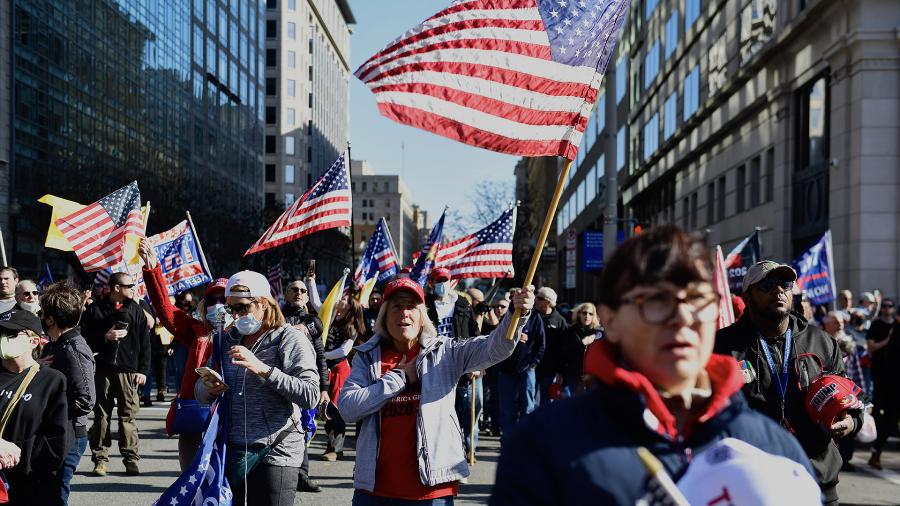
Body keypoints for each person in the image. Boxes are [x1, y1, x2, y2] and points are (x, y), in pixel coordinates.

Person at [491, 226, 815, 505]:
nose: (684, 318)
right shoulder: (545, 446)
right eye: (658, 301)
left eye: (698, 300)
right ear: (611, 320)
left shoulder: (772, 447)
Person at [339, 277, 534, 505]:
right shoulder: (367, 356)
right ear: (384, 315)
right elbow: (348, 408)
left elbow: (496, 348)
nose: (404, 313)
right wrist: (399, 377)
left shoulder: (446, 352)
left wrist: (516, 313)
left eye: (411, 307)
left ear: (422, 316)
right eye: (397, 306)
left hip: (432, 493)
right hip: (374, 493)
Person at [715, 260, 862, 505]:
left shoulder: (821, 341)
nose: (779, 290)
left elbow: (856, 399)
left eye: (785, 284)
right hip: (751, 485)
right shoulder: (722, 345)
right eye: (767, 285)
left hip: (817, 481)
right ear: (748, 296)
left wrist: (851, 421)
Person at [196, 270, 319, 506]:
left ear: (263, 303)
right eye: (231, 308)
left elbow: (310, 395)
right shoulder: (228, 338)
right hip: (231, 451)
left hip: (276, 452)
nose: (235, 315)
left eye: (242, 307)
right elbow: (200, 394)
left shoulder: (289, 338)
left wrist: (262, 369)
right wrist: (207, 388)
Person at [139, 240, 229, 471]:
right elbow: (166, 311)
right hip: (195, 417)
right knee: (190, 481)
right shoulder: (196, 331)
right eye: (212, 300)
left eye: (224, 300)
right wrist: (152, 269)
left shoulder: (248, 335)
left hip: (231, 422)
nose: (218, 305)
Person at [81, 271, 151, 476]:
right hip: (102, 369)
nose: (133, 289)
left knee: (127, 416)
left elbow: (145, 343)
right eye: (129, 286)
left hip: (128, 372)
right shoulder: (95, 310)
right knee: (101, 415)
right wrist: (105, 337)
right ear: (116, 288)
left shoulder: (136, 310)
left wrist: (143, 370)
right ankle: (100, 459)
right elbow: (83, 338)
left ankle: (130, 459)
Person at [0, 309, 70, 505]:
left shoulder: (52, 381)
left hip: (30, 487)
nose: (4, 338)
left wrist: (13, 455)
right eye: (1, 333)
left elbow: (55, 443)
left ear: (34, 341)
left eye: (12, 334)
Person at [39, 282, 96, 504]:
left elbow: (86, 399)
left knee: (56, 492)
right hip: (54, 431)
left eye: (43, 313)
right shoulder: (55, 345)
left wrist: (52, 410)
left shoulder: (74, 348)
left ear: (51, 319)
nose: (40, 316)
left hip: (69, 435)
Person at [424, 268, 481, 458]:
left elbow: (474, 334)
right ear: (431, 283)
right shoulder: (425, 304)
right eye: (438, 281)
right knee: (439, 411)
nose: (442, 284)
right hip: (435, 363)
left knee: (461, 410)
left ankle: (461, 451)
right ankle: (439, 452)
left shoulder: (463, 304)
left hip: (460, 362)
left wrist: (476, 363)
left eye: (445, 280)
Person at [281, 278, 328, 493]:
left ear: (307, 296)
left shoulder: (312, 321)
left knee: (304, 428)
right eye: (294, 289)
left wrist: (324, 388)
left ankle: (302, 475)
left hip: (305, 386)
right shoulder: (277, 317)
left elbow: (320, 356)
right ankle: (281, 473)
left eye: (302, 290)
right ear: (286, 293)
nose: (298, 293)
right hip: (280, 382)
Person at [321, 293, 365, 462]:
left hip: (340, 370)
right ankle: (331, 446)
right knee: (326, 410)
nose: (339, 300)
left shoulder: (351, 326)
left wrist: (323, 355)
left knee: (337, 410)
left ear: (349, 306)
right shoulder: (331, 318)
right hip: (327, 370)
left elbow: (343, 351)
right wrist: (311, 281)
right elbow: (320, 304)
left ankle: (336, 448)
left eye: (344, 299)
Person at [822, 311, 865, 471]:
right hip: (830, 396)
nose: (840, 325)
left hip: (849, 394)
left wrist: (864, 398)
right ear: (827, 324)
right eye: (835, 321)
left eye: (841, 322)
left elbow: (857, 371)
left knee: (849, 425)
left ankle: (845, 460)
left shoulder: (848, 343)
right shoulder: (820, 343)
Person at [865, 297, 900, 470]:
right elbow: (871, 347)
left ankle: (876, 452)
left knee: (891, 419)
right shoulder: (879, 326)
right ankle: (875, 452)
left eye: (890, 306)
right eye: (884, 306)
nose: (887, 308)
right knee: (887, 418)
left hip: (895, 380)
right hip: (884, 380)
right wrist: (889, 339)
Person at [556, 302, 601, 396]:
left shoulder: (598, 333)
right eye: (584, 313)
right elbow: (564, 352)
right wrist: (582, 343)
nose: (587, 316)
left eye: (590, 313)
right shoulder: (571, 331)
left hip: (593, 375)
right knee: (576, 404)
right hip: (574, 374)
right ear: (579, 314)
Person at [533, 286, 567, 405]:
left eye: (539, 298)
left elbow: (564, 348)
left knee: (546, 401)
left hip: (550, 370)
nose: (535, 300)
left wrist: (561, 371)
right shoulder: (531, 317)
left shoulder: (560, 321)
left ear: (547, 302)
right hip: (531, 367)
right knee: (529, 402)